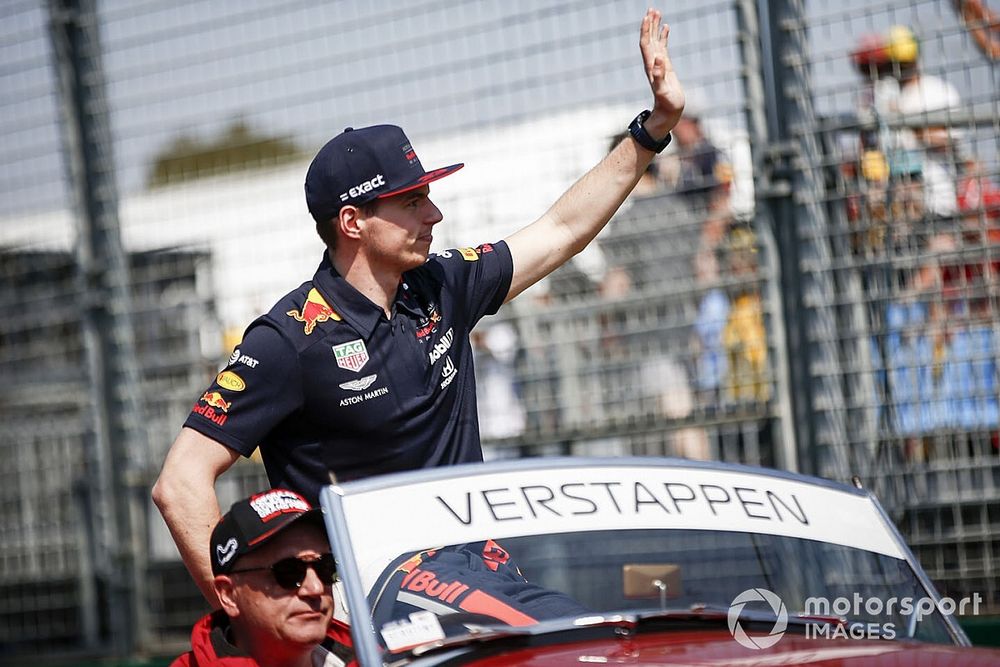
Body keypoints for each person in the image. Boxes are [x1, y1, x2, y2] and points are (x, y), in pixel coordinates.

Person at [153, 8, 685, 607]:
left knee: (639, 615)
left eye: (428, 197)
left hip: (485, 573)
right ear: (352, 222)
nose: (432, 215)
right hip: (381, 600)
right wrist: (244, 610)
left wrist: (652, 129)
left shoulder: (442, 284)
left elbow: (561, 229)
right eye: (410, 201)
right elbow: (180, 482)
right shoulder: (288, 338)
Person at [170, 488, 353, 667]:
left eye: (325, 568)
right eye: (288, 572)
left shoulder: (371, 658)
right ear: (228, 594)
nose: (315, 588)